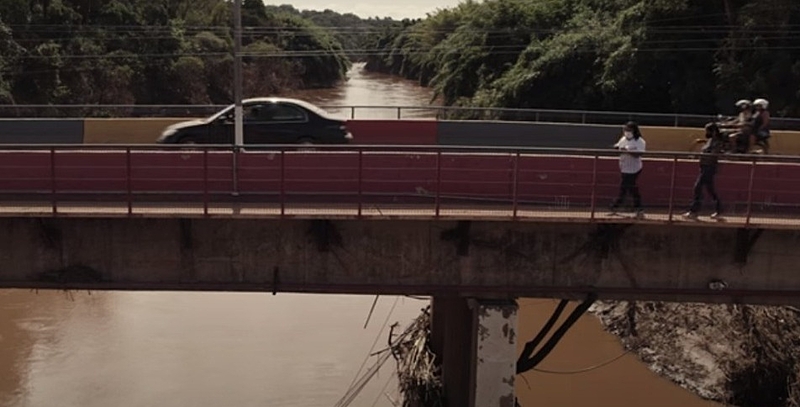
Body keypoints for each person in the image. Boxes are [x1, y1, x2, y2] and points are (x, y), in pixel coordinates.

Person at [683, 123, 725, 219]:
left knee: (697, 187)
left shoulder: (717, 142)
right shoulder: (710, 141)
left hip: (709, 168)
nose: (706, 133)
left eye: (708, 131)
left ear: (713, 132)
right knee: (711, 190)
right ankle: (719, 210)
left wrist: (701, 156)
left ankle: (694, 211)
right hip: (704, 167)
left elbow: (713, 154)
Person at [609, 121, 646, 218]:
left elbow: (639, 154)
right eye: (625, 130)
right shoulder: (623, 139)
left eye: (628, 130)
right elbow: (617, 146)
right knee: (630, 188)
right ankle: (638, 208)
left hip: (634, 168)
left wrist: (628, 151)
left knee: (626, 187)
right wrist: (617, 148)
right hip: (624, 167)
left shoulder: (640, 141)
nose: (626, 132)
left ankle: (615, 206)